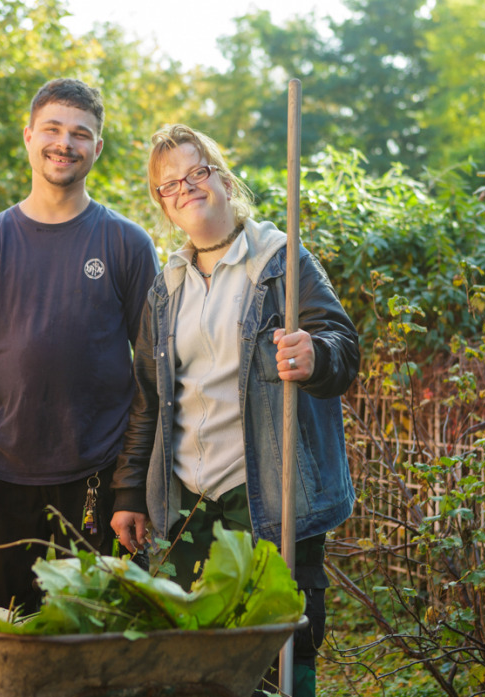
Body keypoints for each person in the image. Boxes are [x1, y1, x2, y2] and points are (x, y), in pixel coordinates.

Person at [110, 124, 359, 696]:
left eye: (196, 172)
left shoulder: (282, 263)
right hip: (185, 507)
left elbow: (343, 351)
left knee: (279, 662)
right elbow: (147, 399)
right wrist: (128, 494)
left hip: (267, 503)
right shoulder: (164, 287)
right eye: (169, 184)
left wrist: (314, 354)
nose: (186, 187)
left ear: (221, 179)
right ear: (163, 206)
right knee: (194, 668)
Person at [0, 78, 159, 615]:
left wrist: (135, 481)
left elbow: (152, 366)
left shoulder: (126, 243)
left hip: (99, 468)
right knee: (13, 624)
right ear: (29, 136)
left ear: (97, 149)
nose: (66, 143)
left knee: (98, 623)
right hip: (6, 472)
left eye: (81, 134)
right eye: (53, 129)